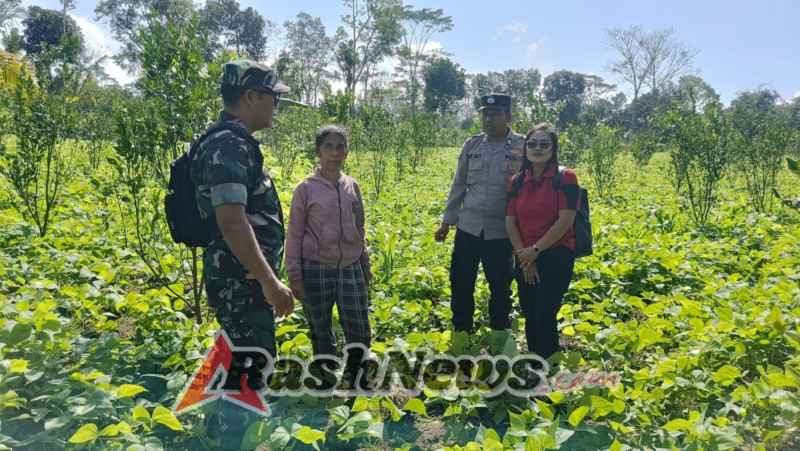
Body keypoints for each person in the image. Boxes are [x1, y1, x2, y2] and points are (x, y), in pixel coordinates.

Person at [190, 59, 294, 448]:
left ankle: (220, 431)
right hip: (242, 281)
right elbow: (232, 221)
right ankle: (236, 439)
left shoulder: (230, 140)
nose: (275, 106)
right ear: (250, 96)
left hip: (238, 278)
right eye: (272, 97)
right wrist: (269, 281)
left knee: (236, 355)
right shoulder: (228, 144)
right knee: (252, 363)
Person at [285, 125, 372, 389]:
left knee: (358, 323)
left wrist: (365, 262)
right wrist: (295, 276)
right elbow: (295, 234)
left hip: (350, 264)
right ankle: (326, 373)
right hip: (315, 266)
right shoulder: (306, 189)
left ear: (346, 152)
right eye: (328, 147)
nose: (334, 153)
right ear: (317, 152)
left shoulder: (351, 186)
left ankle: (356, 376)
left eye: (340, 147)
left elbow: (359, 227)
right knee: (320, 325)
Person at [435, 93, 526, 334]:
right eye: (485, 113)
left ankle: (499, 328)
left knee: (501, 283)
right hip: (469, 226)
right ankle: (462, 328)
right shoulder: (471, 145)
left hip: (502, 230)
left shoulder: (523, 146)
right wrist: (447, 222)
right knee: (461, 280)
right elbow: (459, 184)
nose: (489, 119)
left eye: (496, 114)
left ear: (509, 117)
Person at [505, 122, 581, 359]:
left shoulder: (566, 177)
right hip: (524, 254)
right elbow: (510, 221)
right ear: (526, 147)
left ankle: (549, 365)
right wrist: (525, 256)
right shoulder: (516, 180)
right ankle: (534, 361)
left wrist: (536, 250)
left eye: (544, 144)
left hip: (556, 254)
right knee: (529, 311)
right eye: (533, 143)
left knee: (544, 314)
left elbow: (565, 220)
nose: (538, 148)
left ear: (553, 148)